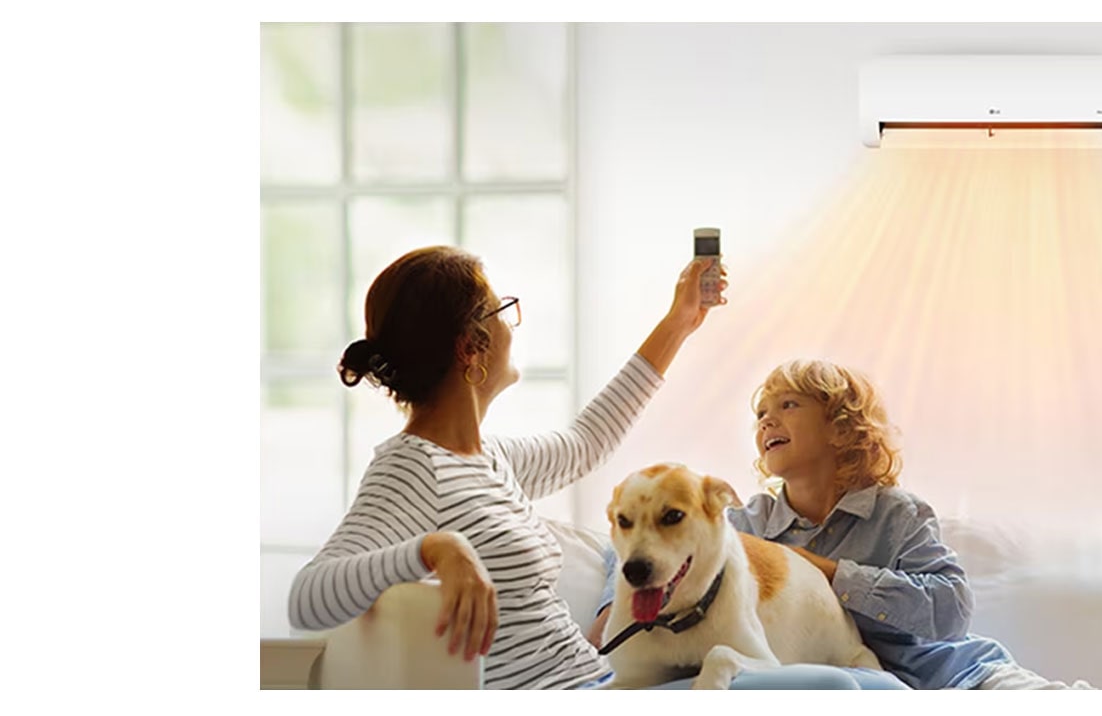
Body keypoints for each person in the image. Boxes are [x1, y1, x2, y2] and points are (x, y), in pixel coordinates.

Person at [286, 246, 862, 690]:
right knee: (836, 689)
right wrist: (435, 549)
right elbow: (309, 598)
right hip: (575, 694)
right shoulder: (411, 470)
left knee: (849, 686)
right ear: (472, 347)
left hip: (601, 684)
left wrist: (681, 320)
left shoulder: (490, 460)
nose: (514, 323)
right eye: (502, 310)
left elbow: (588, 440)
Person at [592, 358, 1091, 690]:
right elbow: (653, 541)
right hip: (841, 679)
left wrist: (831, 574)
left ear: (841, 426)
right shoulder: (749, 522)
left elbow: (951, 610)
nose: (767, 421)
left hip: (953, 676)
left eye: (788, 405)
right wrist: (617, 605)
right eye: (761, 414)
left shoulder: (898, 514)